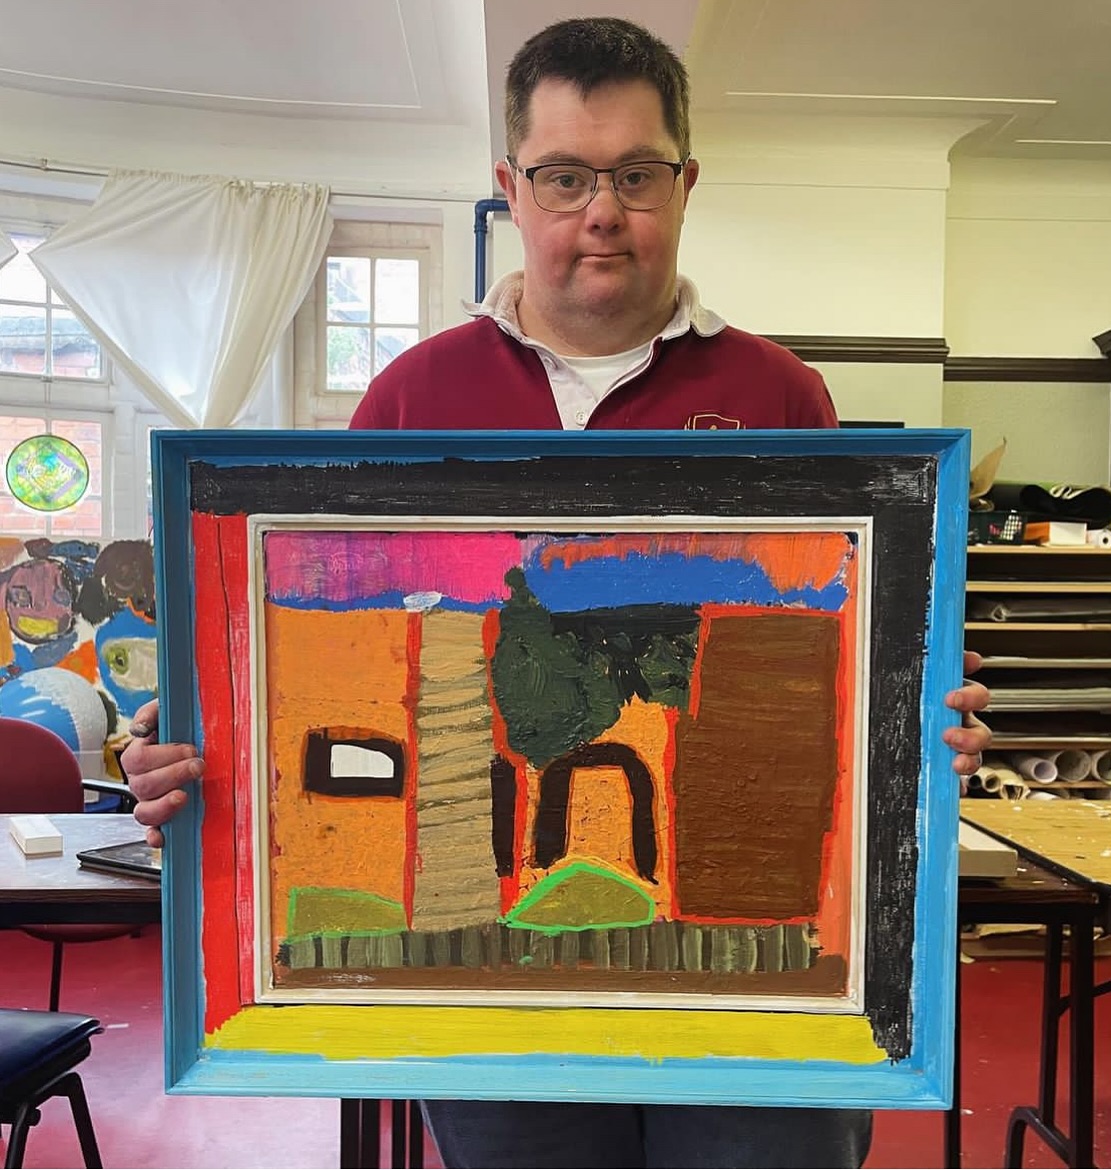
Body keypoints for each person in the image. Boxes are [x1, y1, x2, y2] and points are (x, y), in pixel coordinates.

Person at [123, 17, 990, 1169]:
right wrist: (196, 737)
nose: (602, 209)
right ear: (511, 188)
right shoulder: (413, 395)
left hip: (764, 998)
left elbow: (839, 644)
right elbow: (291, 646)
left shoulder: (777, 392)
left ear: (683, 183)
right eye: (565, 175)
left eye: (635, 174)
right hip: (485, 1003)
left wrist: (921, 720)